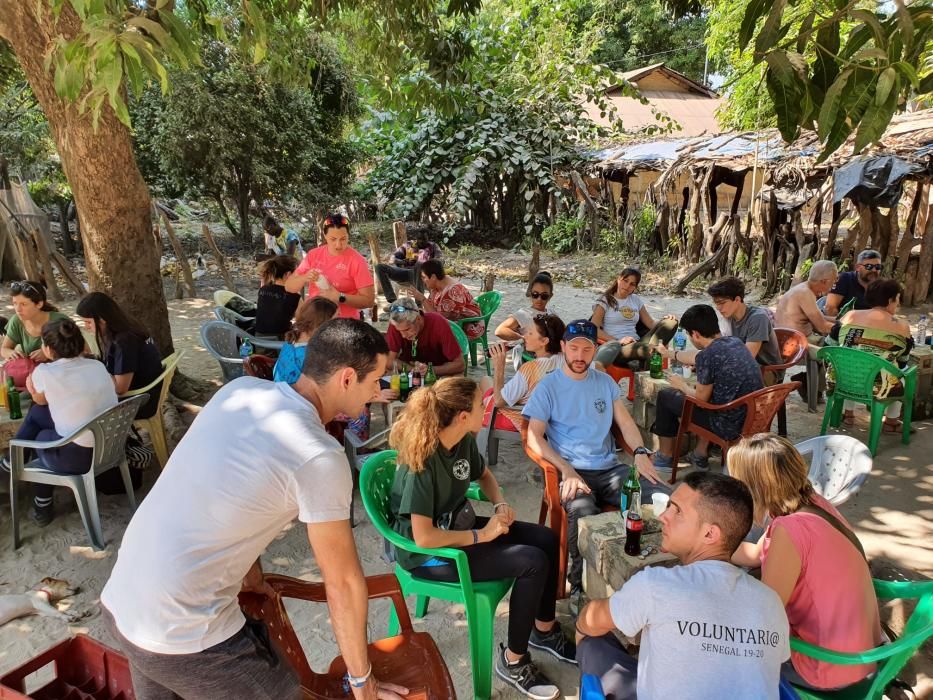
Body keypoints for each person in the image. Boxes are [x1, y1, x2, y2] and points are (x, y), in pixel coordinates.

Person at [100, 319, 408, 700]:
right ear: (347, 378)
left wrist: (252, 577)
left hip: (122, 604)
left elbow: (227, 494)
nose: (378, 390)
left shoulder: (240, 391)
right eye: (375, 380)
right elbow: (342, 583)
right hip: (184, 635)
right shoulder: (318, 456)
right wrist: (362, 682)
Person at [389, 376, 574, 700]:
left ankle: (542, 630)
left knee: (544, 539)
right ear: (463, 415)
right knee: (532, 562)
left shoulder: (460, 440)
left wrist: (500, 504)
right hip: (429, 555)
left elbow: (484, 475)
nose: (487, 406)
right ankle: (513, 661)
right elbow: (423, 538)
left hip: (458, 528)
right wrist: (481, 534)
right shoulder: (424, 462)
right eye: (480, 404)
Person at [576, 472, 789, 700]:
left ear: (710, 533)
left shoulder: (656, 585)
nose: (663, 517)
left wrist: (580, 629)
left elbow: (591, 619)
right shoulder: (771, 602)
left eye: (677, 511)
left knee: (593, 641)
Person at [523, 319, 665, 595]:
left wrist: (639, 452)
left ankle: (654, 569)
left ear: (594, 350)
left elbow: (625, 424)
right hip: (573, 471)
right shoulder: (548, 386)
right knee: (583, 513)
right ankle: (581, 585)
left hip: (610, 469)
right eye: (573, 348)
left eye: (586, 350)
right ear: (563, 346)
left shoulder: (604, 382)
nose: (579, 356)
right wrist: (566, 470)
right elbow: (533, 436)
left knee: (661, 497)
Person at [729, 434, 880, 692]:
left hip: (828, 667)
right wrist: (711, 546)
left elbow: (764, 617)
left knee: (719, 646)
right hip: (862, 655)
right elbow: (755, 553)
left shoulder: (790, 529)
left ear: (756, 488)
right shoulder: (812, 503)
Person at [14, 318, 117, 526]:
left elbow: (39, 400)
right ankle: (12, 464)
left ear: (49, 350)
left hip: (79, 458)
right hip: (110, 446)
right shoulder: (97, 365)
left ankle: (41, 503)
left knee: (39, 435)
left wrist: (32, 384)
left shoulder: (45, 372)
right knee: (38, 416)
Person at [651, 304, 764, 473]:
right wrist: (670, 354)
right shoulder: (735, 342)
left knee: (666, 396)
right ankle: (699, 454)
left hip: (728, 424)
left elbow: (700, 399)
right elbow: (699, 357)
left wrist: (681, 385)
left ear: (695, 334)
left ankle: (665, 456)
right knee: (712, 395)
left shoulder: (708, 355)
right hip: (754, 415)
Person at [830, 278, 912, 429]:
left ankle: (848, 414)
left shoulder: (849, 316)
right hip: (878, 387)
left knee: (849, 361)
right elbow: (902, 362)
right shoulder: (902, 327)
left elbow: (830, 344)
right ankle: (891, 422)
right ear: (889, 300)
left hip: (839, 380)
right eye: (897, 300)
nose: (898, 304)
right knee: (905, 375)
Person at [76, 292, 164, 420]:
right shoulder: (128, 326)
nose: (86, 327)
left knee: (80, 407)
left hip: (140, 401)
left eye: (88, 322)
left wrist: (95, 365)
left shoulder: (124, 341)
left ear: (102, 320)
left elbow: (120, 388)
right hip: (146, 393)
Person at [480, 313, 566, 428]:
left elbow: (499, 401)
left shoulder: (530, 368)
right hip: (552, 419)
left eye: (530, 333)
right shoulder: (567, 360)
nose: (524, 336)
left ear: (544, 341)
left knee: (484, 383)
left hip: (521, 419)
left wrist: (499, 367)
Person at [285, 213, 375, 319]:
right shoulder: (313, 255)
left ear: (348, 236)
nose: (338, 245)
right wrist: (304, 277)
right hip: (315, 320)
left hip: (343, 322)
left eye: (343, 239)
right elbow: (289, 287)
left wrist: (340, 297)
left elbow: (369, 301)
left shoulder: (357, 261)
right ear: (325, 235)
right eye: (333, 239)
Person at [591, 268, 678, 367]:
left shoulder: (635, 300)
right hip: (618, 347)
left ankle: (651, 353)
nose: (627, 286)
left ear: (635, 287)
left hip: (638, 342)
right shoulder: (605, 300)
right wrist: (617, 341)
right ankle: (650, 359)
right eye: (625, 281)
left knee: (671, 322)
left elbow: (650, 323)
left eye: (632, 284)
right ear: (619, 279)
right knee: (647, 348)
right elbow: (594, 329)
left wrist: (665, 320)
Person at [707, 276, 781, 370]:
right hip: (742, 367)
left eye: (722, 303)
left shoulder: (758, 318)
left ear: (737, 300)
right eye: (716, 304)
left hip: (766, 371)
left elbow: (746, 358)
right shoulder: (728, 317)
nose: (718, 308)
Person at [385, 297, 465, 378]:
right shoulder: (396, 324)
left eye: (407, 329)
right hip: (410, 372)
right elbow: (389, 361)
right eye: (399, 331)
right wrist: (414, 370)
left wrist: (430, 370)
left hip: (438, 372)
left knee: (458, 379)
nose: (403, 335)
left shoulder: (438, 322)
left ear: (418, 318)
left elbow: (460, 364)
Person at [405, 259, 484, 340]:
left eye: (424, 277)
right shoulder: (438, 285)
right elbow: (431, 311)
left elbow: (438, 320)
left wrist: (422, 299)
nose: (422, 281)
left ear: (433, 277)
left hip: (469, 326)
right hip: (452, 322)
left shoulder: (451, 292)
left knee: (421, 332)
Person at [273, 297, 339, 383]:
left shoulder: (293, 338)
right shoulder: (314, 353)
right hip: (296, 394)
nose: (338, 323)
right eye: (335, 319)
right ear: (322, 323)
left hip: (281, 388)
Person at [1, 281, 69, 363]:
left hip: (61, 372)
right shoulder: (16, 320)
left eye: (23, 304)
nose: (18, 309)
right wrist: (11, 353)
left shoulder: (60, 320)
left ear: (39, 304)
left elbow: (83, 350)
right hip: (31, 372)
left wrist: (49, 353)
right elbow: (4, 349)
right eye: (15, 303)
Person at [774, 260, 838, 341]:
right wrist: (846, 330)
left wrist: (840, 321)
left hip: (789, 338)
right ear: (824, 281)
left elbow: (820, 318)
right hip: (794, 343)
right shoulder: (805, 293)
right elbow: (822, 327)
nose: (835, 284)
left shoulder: (803, 289)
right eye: (834, 281)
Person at [375, 227, 441, 304]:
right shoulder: (409, 245)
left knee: (419, 265)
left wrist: (425, 263)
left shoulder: (433, 246)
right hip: (405, 273)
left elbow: (439, 260)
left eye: (424, 239)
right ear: (416, 238)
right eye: (419, 238)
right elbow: (393, 258)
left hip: (424, 276)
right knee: (379, 267)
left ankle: (418, 304)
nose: (421, 241)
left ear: (428, 239)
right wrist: (403, 261)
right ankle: (392, 300)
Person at [495, 271, 556, 344]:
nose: (539, 299)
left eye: (544, 296)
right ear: (530, 294)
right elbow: (500, 330)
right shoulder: (524, 314)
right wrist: (523, 338)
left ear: (550, 296)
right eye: (535, 294)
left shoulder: (551, 313)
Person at [823, 249, 883, 316]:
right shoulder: (844, 279)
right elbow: (830, 308)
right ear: (857, 267)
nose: (874, 270)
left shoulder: (881, 287)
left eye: (878, 267)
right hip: (843, 322)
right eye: (869, 266)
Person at [254, 255, 302, 338]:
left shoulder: (263, 289)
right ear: (288, 274)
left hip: (258, 338)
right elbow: (302, 321)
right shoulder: (295, 296)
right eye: (297, 274)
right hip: (279, 341)